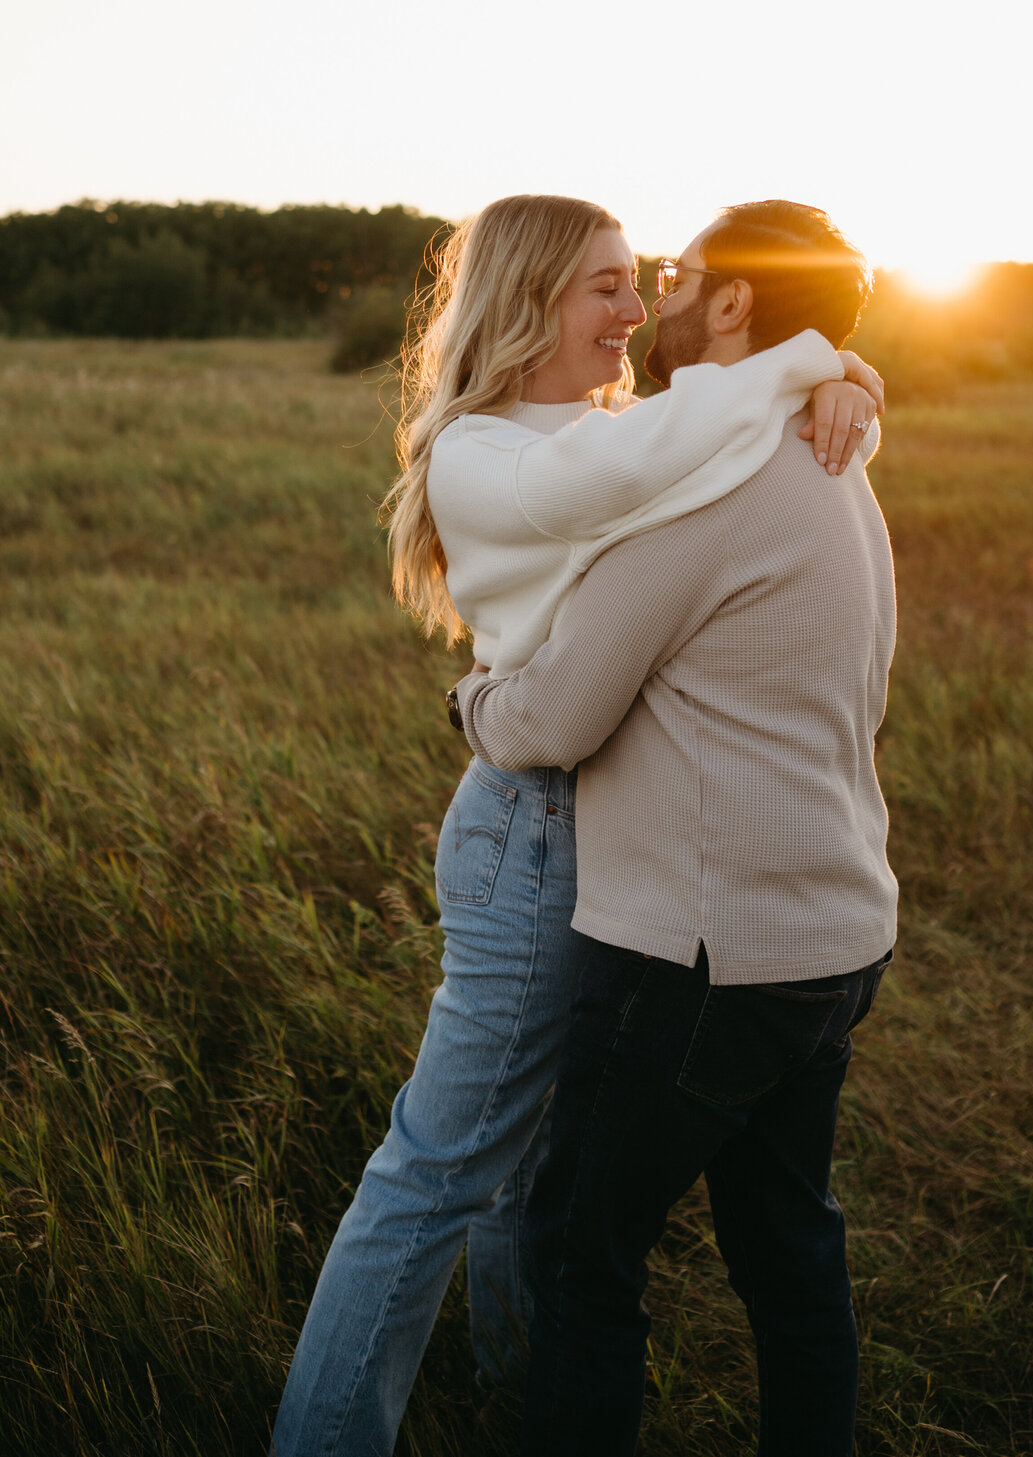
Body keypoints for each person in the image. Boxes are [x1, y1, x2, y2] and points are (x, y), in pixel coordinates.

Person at [271, 194, 883, 1457]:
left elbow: (696, 438)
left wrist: (845, 378)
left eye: (646, 278)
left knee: (536, 1161)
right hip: (534, 809)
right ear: (529, 298)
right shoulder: (492, 453)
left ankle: (512, 1380)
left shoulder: (641, 429)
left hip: (619, 813)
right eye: (607, 284)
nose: (632, 305)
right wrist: (815, 359)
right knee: (443, 1163)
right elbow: (634, 505)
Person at [454, 199, 898, 1457]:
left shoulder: (717, 477)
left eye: (678, 276)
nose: (656, 300)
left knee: (579, 1251)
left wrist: (472, 697)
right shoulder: (839, 458)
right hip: (834, 934)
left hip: (699, 958)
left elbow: (555, 714)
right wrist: (846, 368)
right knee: (788, 1252)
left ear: (738, 306)